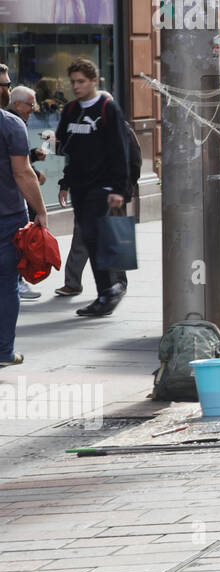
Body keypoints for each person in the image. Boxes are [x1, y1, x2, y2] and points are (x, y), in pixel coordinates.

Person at [55, 58, 132, 318]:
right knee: (92, 237)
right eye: (73, 82)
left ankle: (108, 290)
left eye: (81, 81)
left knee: (93, 233)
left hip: (103, 184)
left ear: (93, 81)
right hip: (80, 184)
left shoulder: (107, 108)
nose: (76, 86)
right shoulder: (70, 110)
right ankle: (109, 289)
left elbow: (120, 150)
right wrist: (65, 181)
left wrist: (120, 189)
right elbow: (66, 147)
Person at [0, 96, 48, 366]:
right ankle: (4, 352)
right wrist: (40, 210)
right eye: (5, 84)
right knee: (6, 286)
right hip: (7, 217)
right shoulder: (10, 124)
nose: (7, 89)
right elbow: (23, 173)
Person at [7, 86, 45, 301]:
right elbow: (18, 168)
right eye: (31, 104)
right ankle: (18, 282)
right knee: (18, 241)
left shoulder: (14, 121)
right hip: (14, 199)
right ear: (19, 104)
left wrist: (33, 157)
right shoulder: (12, 123)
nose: (33, 108)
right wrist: (41, 210)